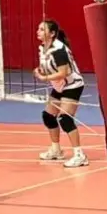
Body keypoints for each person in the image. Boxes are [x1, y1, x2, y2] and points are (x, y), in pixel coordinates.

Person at [35, 19, 88, 168]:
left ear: (52, 34)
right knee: (48, 116)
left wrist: (44, 78)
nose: (38, 32)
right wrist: (41, 71)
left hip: (72, 85)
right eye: (38, 29)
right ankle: (56, 150)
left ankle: (80, 155)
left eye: (42, 29)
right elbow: (50, 68)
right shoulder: (43, 48)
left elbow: (64, 72)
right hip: (59, 86)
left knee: (65, 119)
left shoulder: (58, 50)